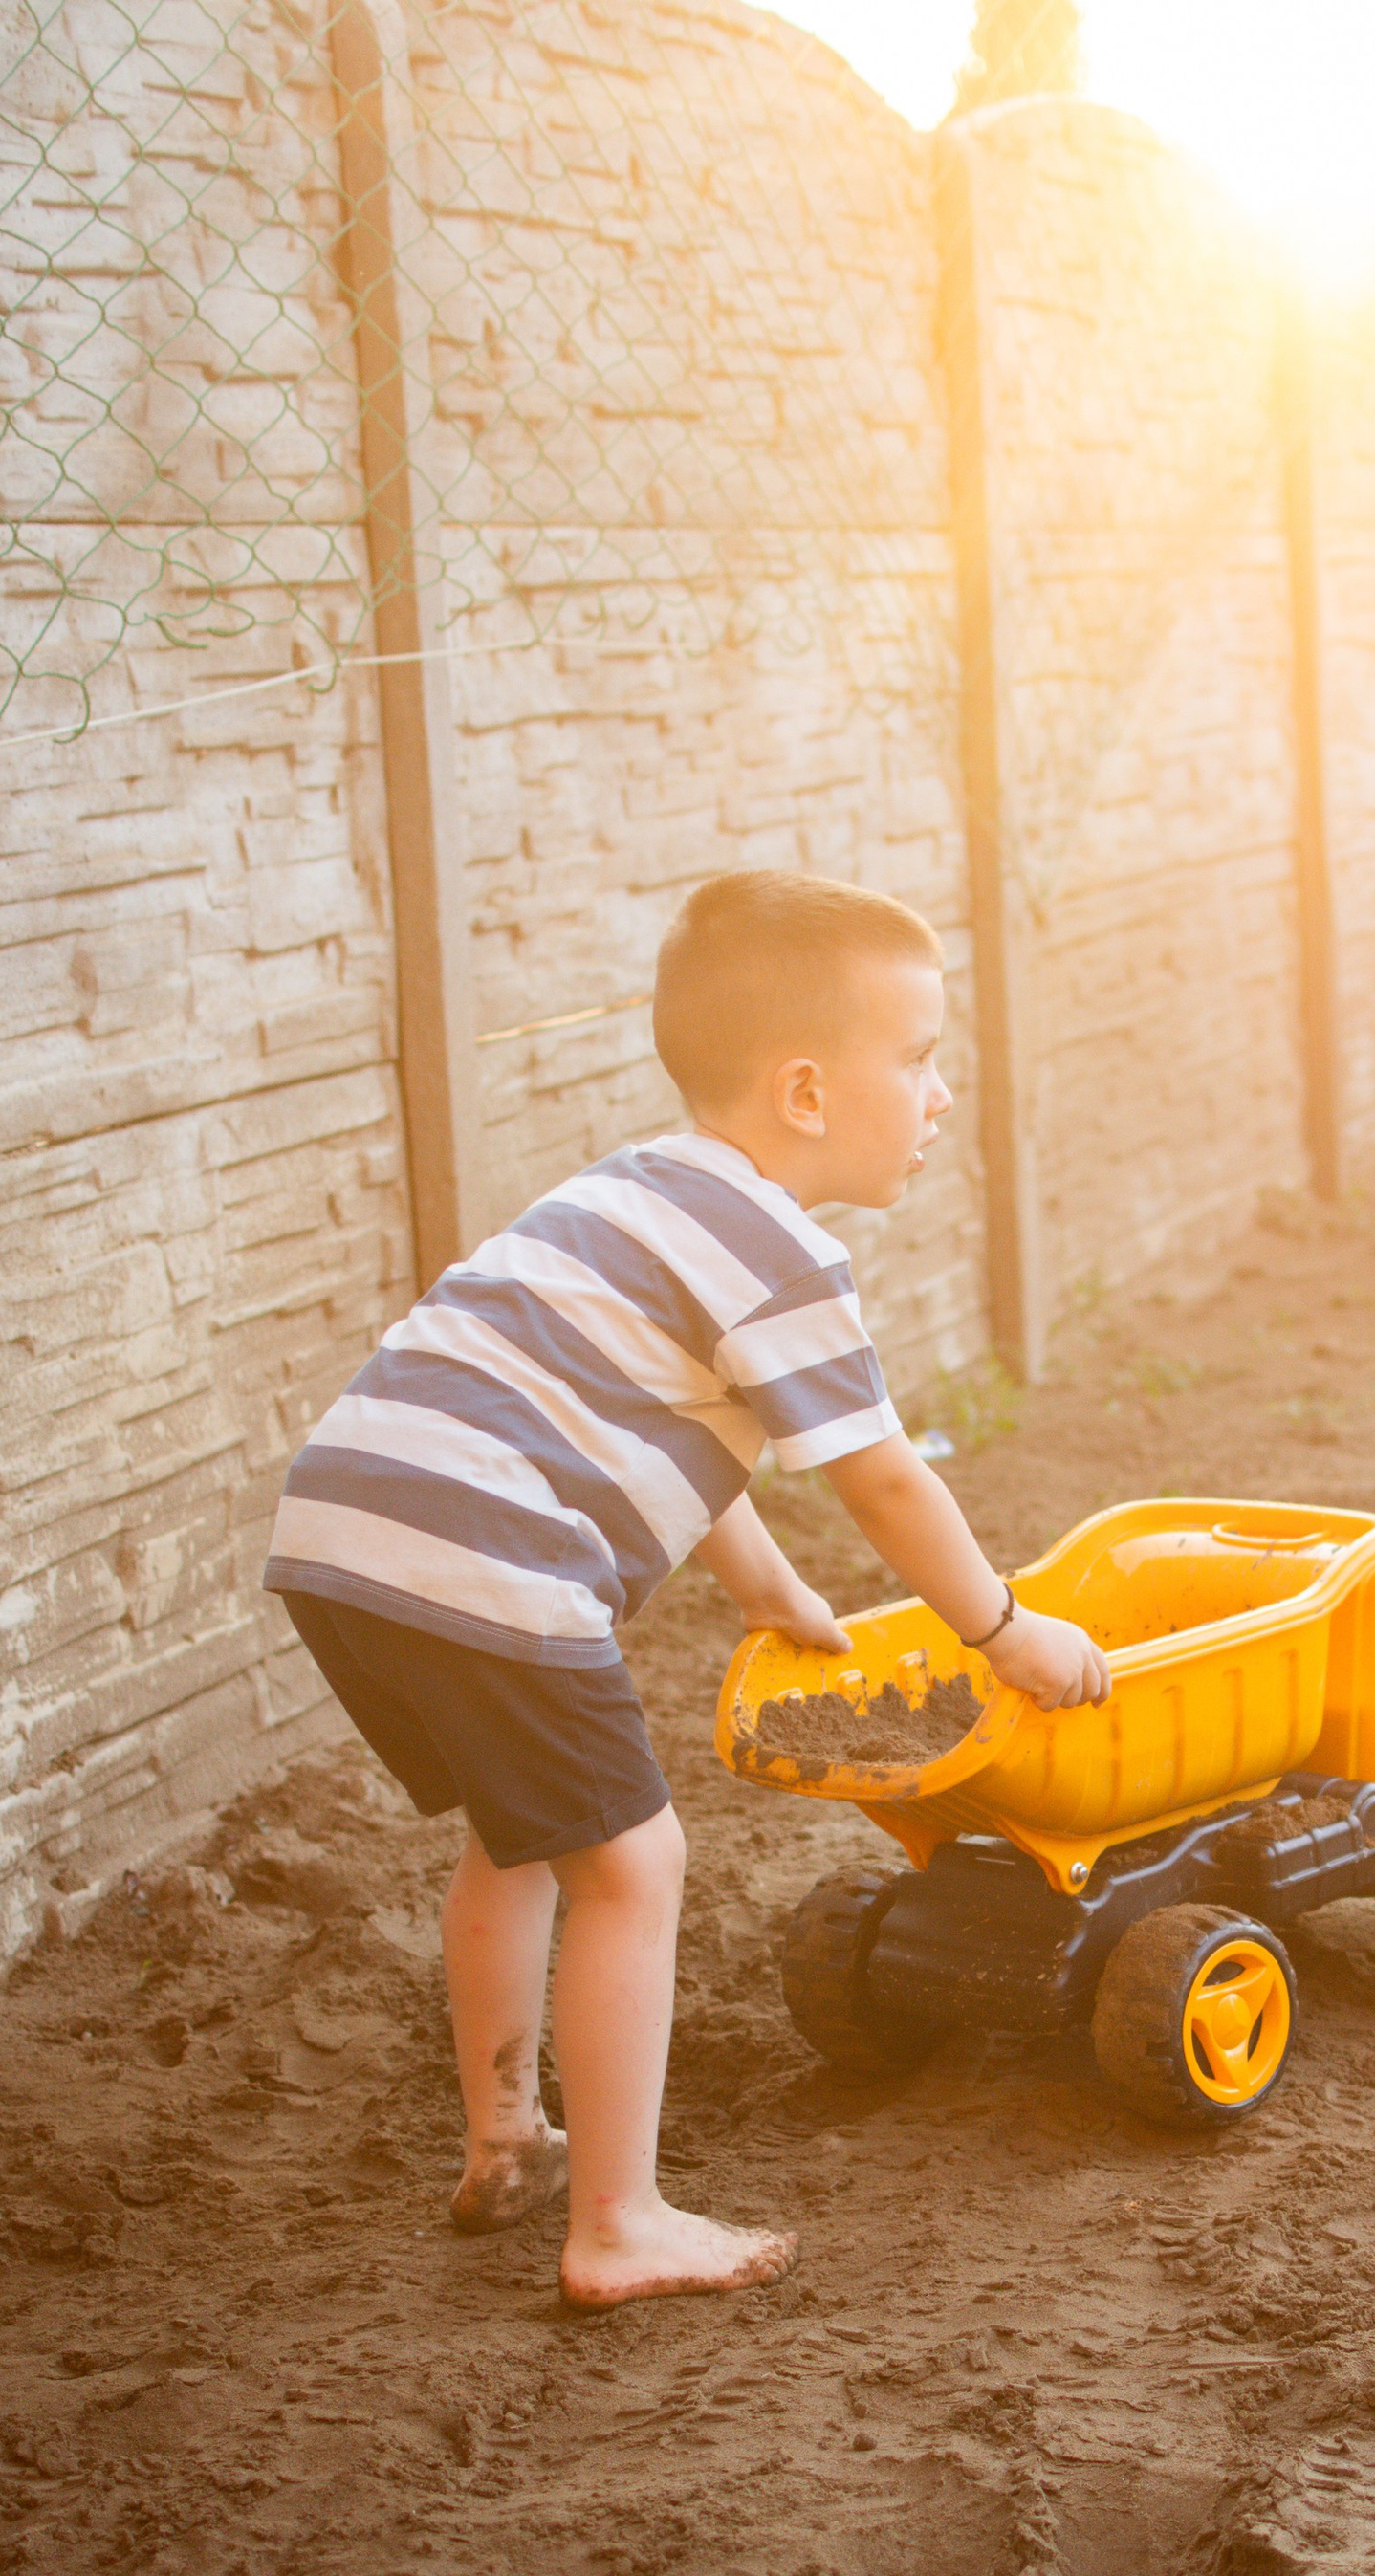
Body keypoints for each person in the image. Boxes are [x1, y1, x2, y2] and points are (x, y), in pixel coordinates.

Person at [262, 870, 1108, 2308]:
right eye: (914, 1060)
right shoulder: (785, 1255)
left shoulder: (635, 1190)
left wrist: (768, 1588)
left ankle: (504, 2132)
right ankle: (619, 2223)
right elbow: (884, 1476)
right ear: (802, 1089)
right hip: (488, 1549)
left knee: (517, 1843)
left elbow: (653, 1422)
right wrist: (1005, 1627)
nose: (938, 1094)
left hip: (347, 1525)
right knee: (635, 1867)